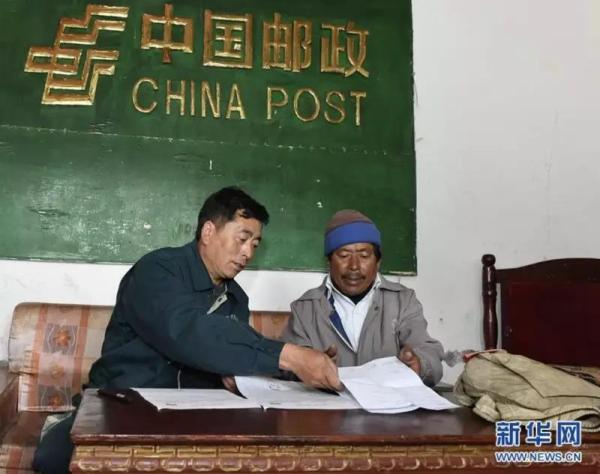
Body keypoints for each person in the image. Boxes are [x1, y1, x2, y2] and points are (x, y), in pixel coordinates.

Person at [33, 187, 340, 473]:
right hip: (124, 403)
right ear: (208, 232)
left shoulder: (236, 299)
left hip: (193, 412)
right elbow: (189, 332)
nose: (248, 252)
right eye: (242, 239)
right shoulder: (157, 271)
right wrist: (290, 356)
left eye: (255, 244)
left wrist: (296, 369)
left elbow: (234, 351)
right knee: (56, 458)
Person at [281, 209, 444, 386]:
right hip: (330, 402)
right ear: (329, 262)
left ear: (378, 262)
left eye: (364, 256)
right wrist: (308, 365)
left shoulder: (402, 301)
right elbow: (286, 368)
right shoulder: (305, 309)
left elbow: (429, 352)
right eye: (344, 255)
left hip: (386, 403)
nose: (354, 266)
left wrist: (420, 364)